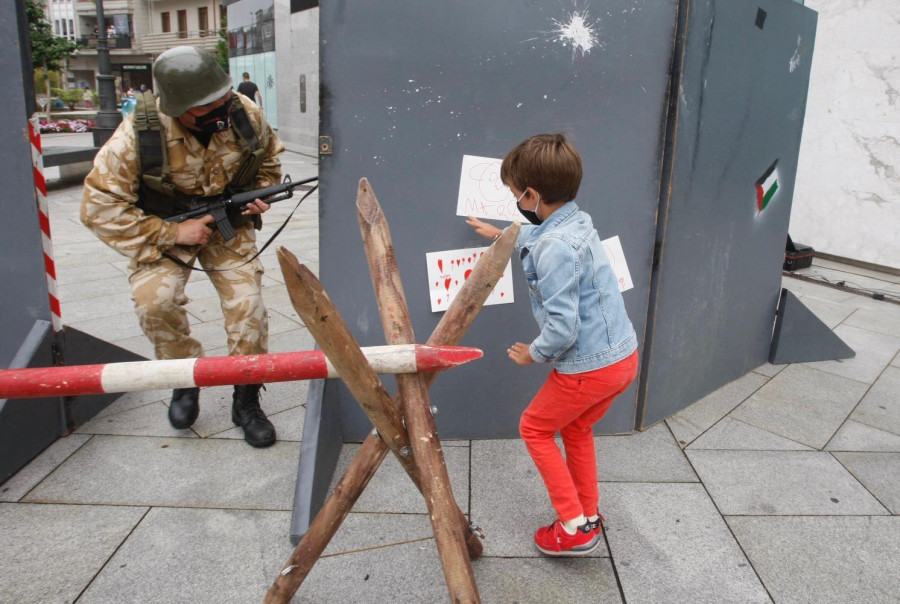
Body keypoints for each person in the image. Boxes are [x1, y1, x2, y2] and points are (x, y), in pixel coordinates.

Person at [81, 46, 286, 448]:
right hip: (164, 226)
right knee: (155, 303)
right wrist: (171, 234)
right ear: (178, 108)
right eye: (207, 106)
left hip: (228, 223)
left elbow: (269, 163)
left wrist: (260, 193)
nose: (222, 109)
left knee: (249, 306)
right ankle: (182, 377)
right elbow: (97, 207)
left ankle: (246, 397)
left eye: (224, 98)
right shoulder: (137, 137)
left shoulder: (243, 111)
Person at [466, 134, 638, 556]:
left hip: (588, 368)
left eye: (514, 196)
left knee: (535, 427)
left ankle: (574, 526)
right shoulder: (576, 221)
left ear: (531, 194)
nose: (515, 202)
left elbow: (561, 329)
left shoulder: (554, 247)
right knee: (577, 427)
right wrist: (505, 233)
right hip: (621, 358)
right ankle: (589, 513)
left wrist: (534, 354)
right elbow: (548, 236)